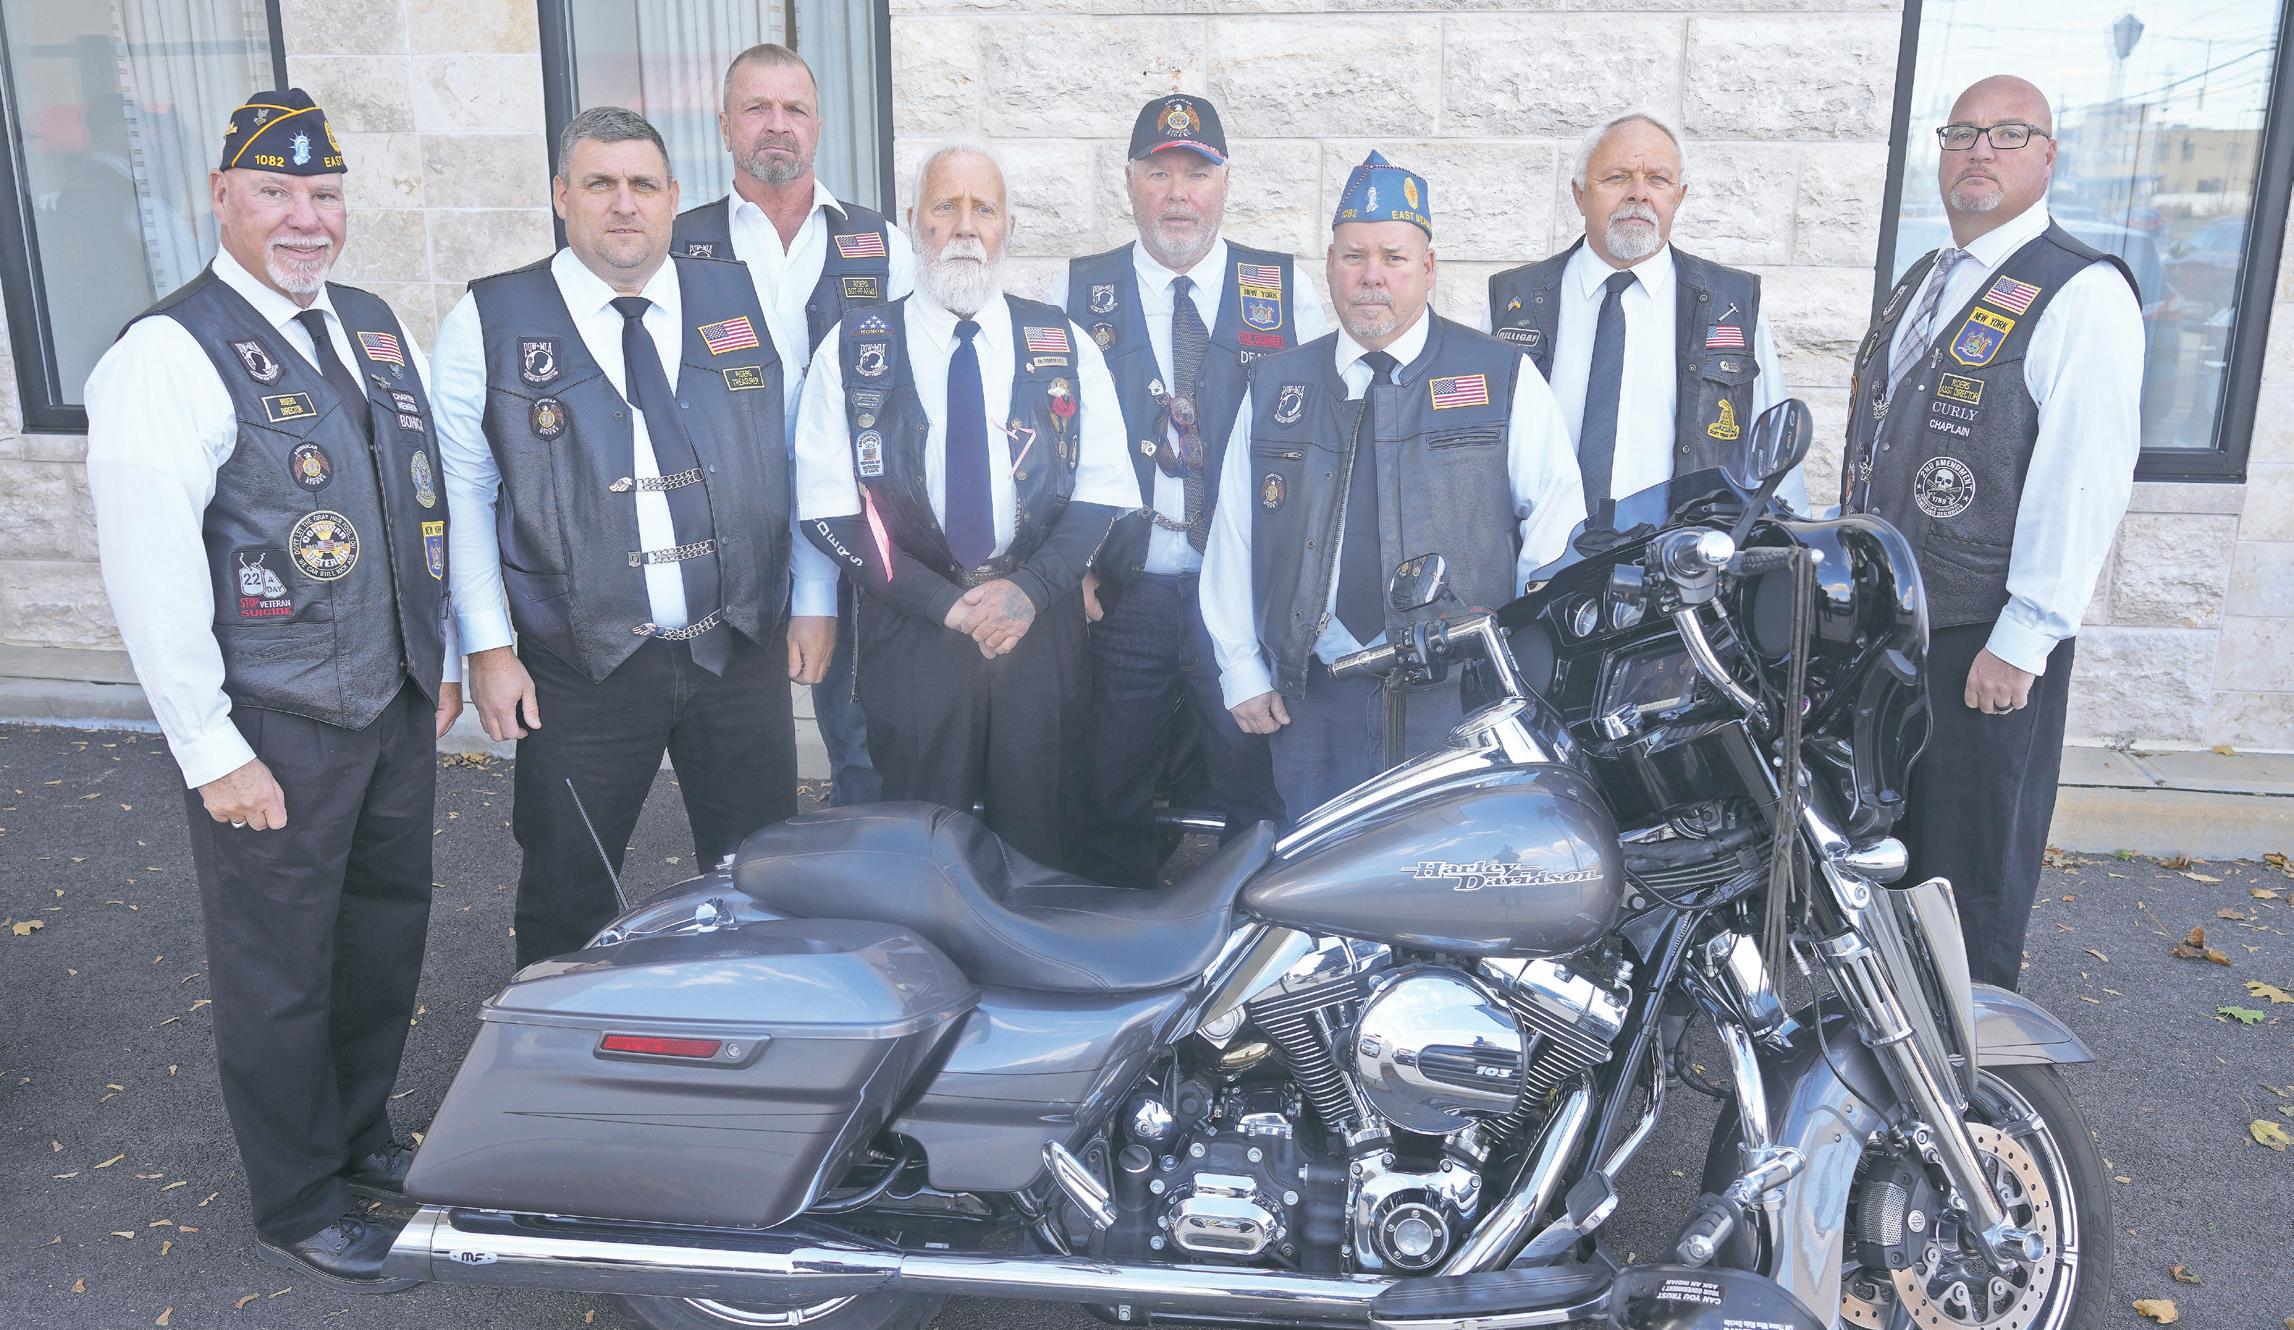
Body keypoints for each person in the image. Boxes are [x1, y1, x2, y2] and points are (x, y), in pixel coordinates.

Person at [85, 89, 458, 1289]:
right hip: (274, 728)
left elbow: (414, 503)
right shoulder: (167, 352)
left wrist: (439, 656)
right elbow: (150, 572)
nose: (306, 218)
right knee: (281, 969)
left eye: (324, 194)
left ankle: (357, 1133)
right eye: (275, 191)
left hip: (390, 706)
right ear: (221, 198)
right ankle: (300, 1196)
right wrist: (210, 748)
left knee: (380, 943)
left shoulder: (370, 323)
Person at [433, 106, 816, 967]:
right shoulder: (487, 320)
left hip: (737, 652)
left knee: (762, 879)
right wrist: (486, 649)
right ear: (561, 195)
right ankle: (554, 1032)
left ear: (674, 196)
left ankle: (754, 1024)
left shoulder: (747, 298)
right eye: (600, 183)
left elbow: (798, 455)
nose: (623, 204)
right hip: (579, 666)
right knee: (566, 883)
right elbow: (465, 495)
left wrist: (812, 600)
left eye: (643, 184)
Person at [1841, 74, 2142, 988]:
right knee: (1888, 852)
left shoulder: (2081, 291)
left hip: (1981, 639)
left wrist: (2024, 638)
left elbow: (2084, 478)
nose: (1980, 150)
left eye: (2009, 134)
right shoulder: (1925, 279)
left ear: (2048, 159)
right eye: (1963, 132)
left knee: (1965, 872)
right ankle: (1886, 1045)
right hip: (1890, 629)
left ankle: (1969, 1062)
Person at [1202, 151, 1586, 819]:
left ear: (1428, 267)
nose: (1371, 275)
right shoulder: (1276, 386)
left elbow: (1555, 524)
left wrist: (1523, 675)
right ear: (1330, 265)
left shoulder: (1500, 376)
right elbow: (1237, 534)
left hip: (1457, 698)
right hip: (1312, 697)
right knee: (1324, 868)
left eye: (1394, 257)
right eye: (1354, 257)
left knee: (1449, 867)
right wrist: (1240, 666)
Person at [793, 141, 1134, 871]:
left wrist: (1029, 591)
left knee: (1040, 843)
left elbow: (1102, 493)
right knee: (919, 843)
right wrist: (945, 605)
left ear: (1008, 225)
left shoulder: (1063, 343)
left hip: (1038, 627)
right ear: (914, 220)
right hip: (914, 627)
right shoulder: (853, 347)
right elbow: (831, 511)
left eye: (984, 209)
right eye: (945, 206)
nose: (965, 227)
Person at [1045, 94, 1323, 887]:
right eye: (1158, 172)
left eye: (1196, 174)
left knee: (1255, 792)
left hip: (1240, 598)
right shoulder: (1075, 293)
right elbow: (1043, 452)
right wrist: (1072, 570)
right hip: (1121, 594)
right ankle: (1117, 940)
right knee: (1108, 789)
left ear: (1226, 182)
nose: (1178, 194)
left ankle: (1247, 940)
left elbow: (1320, 448)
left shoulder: (1287, 292)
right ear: (1128, 181)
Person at [674, 42, 918, 806]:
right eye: (757, 107)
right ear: (724, 126)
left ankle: (861, 868)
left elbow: (912, 398)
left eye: (794, 109)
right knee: (735, 756)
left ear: (818, 125)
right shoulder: (676, 248)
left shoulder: (883, 246)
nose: (777, 124)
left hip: (850, 535)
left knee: (864, 744)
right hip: (721, 538)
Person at [1486, 110, 1805, 519]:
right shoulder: (1513, 301)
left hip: (1683, 552)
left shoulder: (1733, 306)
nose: (1638, 194)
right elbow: (1477, 444)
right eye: (1617, 177)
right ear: (1579, 194)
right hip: (1539, 552)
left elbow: (1775, 460)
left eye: (1657, 179)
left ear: (1679, 196)